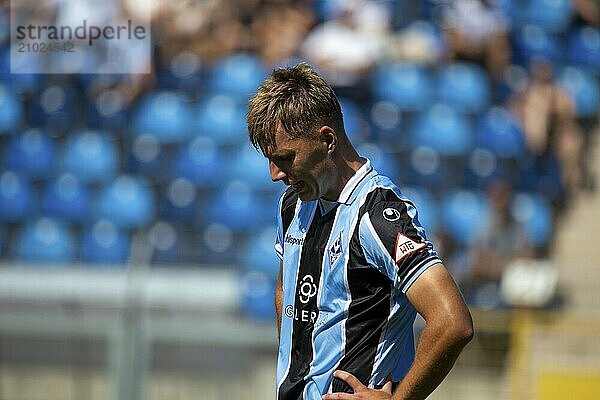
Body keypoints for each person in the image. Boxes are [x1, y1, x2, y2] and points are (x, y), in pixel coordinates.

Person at [246, 62, 473, 400]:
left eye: (285, 157)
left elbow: (452, 322)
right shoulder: (293, 203)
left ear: (327, 140)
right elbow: (286, 290)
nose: (275, 174)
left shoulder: (378, 215)